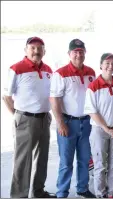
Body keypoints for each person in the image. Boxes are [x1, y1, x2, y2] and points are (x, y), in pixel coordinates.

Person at [3, 36, 56, 198]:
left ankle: (38, 191)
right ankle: (19, 195)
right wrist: (19, 116)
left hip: (44, 118)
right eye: (32, 47)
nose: (36, 51)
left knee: (42, 158)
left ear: (44, 51)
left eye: (40, 48)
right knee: (23, 160)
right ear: (26, 50)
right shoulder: (16, 68)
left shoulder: (48, 70)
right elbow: (6, 96)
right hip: (25, 119)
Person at [50, 39, 96, 198]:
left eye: (81, 51)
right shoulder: (60, 73)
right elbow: (54, 99)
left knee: (84, 159)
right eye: (75, 51)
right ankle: (62, 192)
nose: (78, 54)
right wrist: (60, 123)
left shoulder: (91, 72)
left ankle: (82, 188)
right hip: (68, 123)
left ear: (85, 53)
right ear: (69, 54)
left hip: (87, 122)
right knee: (66, 162)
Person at [84, 52, 113, 198]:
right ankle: (100, 194)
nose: (110, 66)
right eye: (107, 63)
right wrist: (106, 128)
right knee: (100, 165)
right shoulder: (93, 87)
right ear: (101, 65)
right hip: (100, 130)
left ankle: (111, 194)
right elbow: (92, 111)